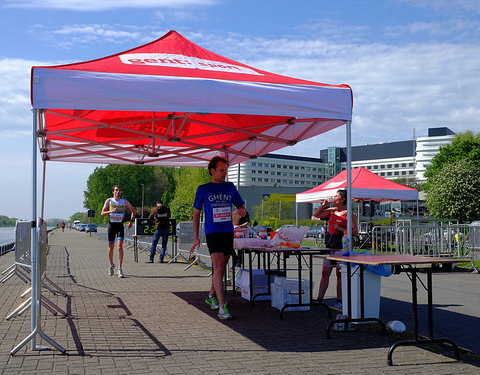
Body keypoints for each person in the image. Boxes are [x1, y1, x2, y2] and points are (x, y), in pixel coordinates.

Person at [190, 156, 246, 320]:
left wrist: (241, 210)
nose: (224, 173)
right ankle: (222, 307)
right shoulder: (203, 189)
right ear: (212, 171)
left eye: (226, 170)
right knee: (219, 267)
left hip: (227, 231)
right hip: (212, 232)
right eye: (221, 170)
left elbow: (240, 205)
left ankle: (210, 296)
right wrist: (196, 237)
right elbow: (196, 214)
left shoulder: (230, 187)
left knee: (220, 268)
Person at [313, 189, 358, 309]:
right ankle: (319, 299)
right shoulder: (331, 211)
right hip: (329, 245)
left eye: (336, 195)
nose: (334, 197)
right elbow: (316, 215)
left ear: (342, 199)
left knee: (339, 274)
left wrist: (341, 229)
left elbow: (355, 232)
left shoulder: (349, 214)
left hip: (341, 246)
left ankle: (340, 300)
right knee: (325, 272)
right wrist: (324, 205)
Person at [101, 185, 136, 278]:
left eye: (119, 190)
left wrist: (131, 222)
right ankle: (111, 265)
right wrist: (110, 211)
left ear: (121, 192)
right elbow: (102, 213)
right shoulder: (109, 201)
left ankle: (120, 268)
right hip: (112, 226)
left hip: (120, 226)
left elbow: (133, 211)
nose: (117, 192)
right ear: (113, 192)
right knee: (111, 247)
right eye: (116, 190)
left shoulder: (124, 202)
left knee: (120, 246)